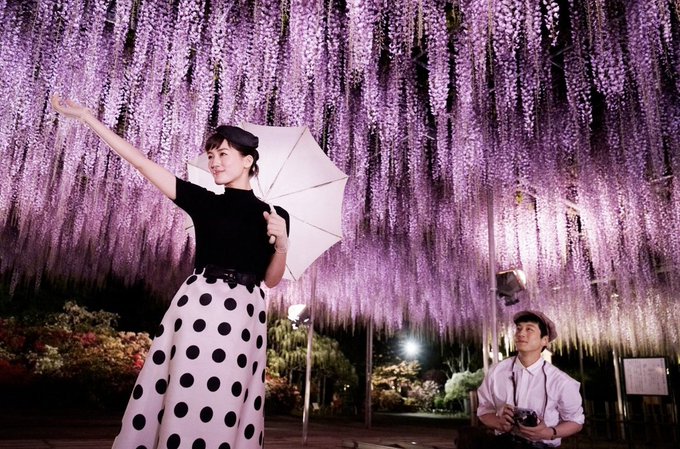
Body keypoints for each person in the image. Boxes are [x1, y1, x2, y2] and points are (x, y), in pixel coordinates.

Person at [51, 95, 290, 449]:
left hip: (245, 313)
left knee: (230, 393)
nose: (215, 162)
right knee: (187, 386)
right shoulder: (204, 202)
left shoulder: (274, 215)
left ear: (248, 160)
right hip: (201, 304)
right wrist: (88, 118)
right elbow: (142, 163)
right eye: (211, 155)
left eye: (223, 154)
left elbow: (271, 280)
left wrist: (282, 243)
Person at [476, 310, 584, 448]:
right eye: (518, 328)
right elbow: (484, 411)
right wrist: (499, 423)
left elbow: (576, 421)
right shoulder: (496, 372)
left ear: (544, 340)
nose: (521, 333)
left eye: (529, 329)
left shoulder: (561, 381)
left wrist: (549, 433)